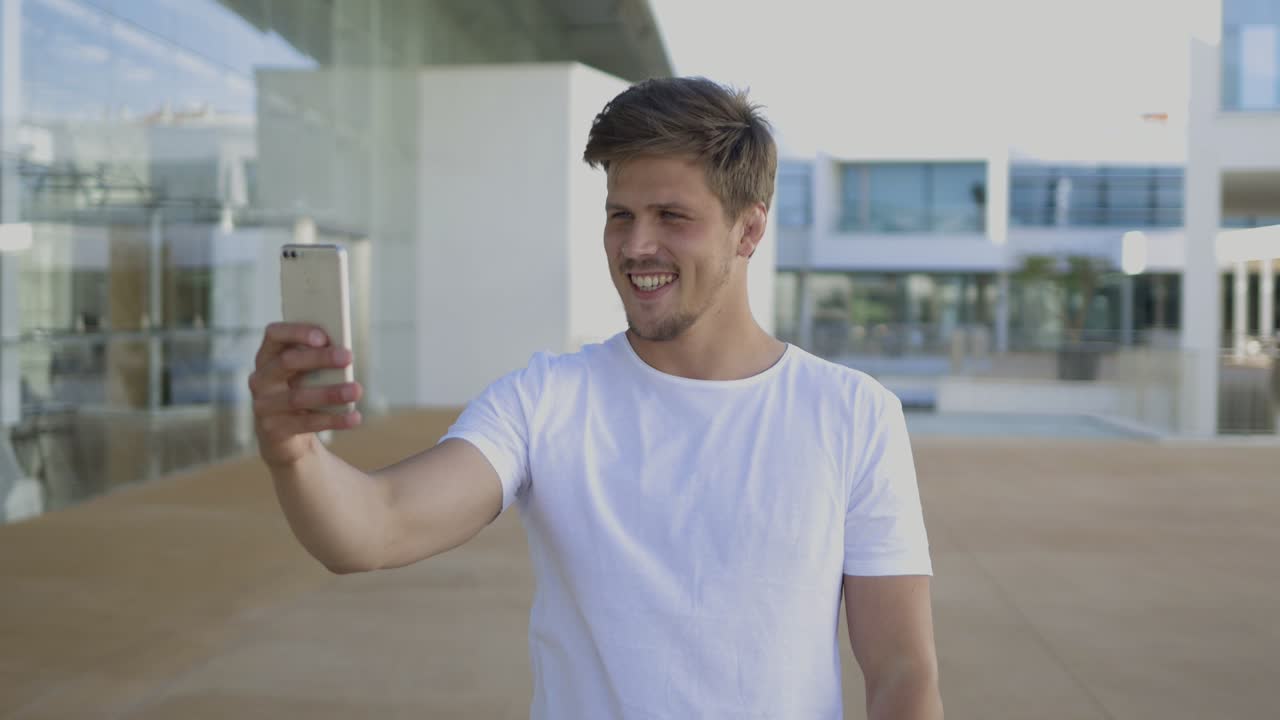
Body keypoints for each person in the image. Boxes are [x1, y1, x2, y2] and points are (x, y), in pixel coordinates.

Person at [249, 76, 942, 719]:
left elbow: (901, 671)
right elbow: (377, 525)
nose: (637, 245)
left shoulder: (852, 413)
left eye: (673, 216)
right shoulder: (546, 400)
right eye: (621, 215)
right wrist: (294, 454)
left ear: (750, 229)